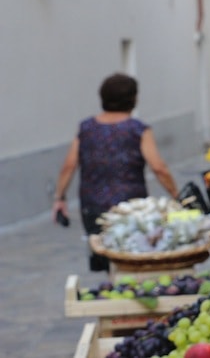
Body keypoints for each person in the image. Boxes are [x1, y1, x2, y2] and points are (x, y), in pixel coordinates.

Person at [51, 73, 179, 271]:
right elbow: (158, 168)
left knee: (104, 255)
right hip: (130, 207)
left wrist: (59, 197)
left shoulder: (86, 128)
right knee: (131, 256)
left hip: (93, 205)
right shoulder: (138, 129)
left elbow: (69, 165)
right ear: (133, 99)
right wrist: (175, 195)